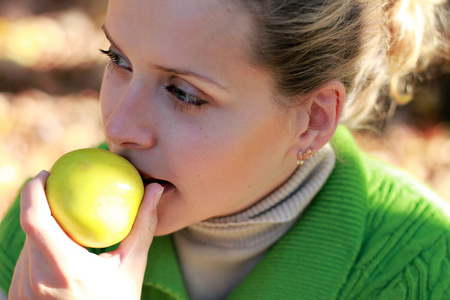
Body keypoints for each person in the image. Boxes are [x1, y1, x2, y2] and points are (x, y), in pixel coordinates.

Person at [1, 0, 449, 299]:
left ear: (313, 120)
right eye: (118, 60)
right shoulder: (44, 235)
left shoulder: (423, 271)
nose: (118, 126)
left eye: (183, 92)